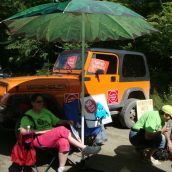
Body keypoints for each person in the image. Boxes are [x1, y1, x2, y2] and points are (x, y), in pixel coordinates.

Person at [20, 94, 101, 172]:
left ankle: (61, 168)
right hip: (38, 139)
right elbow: (22, 131)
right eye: (38, 101)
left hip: (51, 136)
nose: (41, 103)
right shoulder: (28, 115)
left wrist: (67, 121)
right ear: (32, 103)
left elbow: (57, 121)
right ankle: (84, 148)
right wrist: (40, 131)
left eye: (42, 101)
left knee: (64, 142)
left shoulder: (45, 111)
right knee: (61, 129)